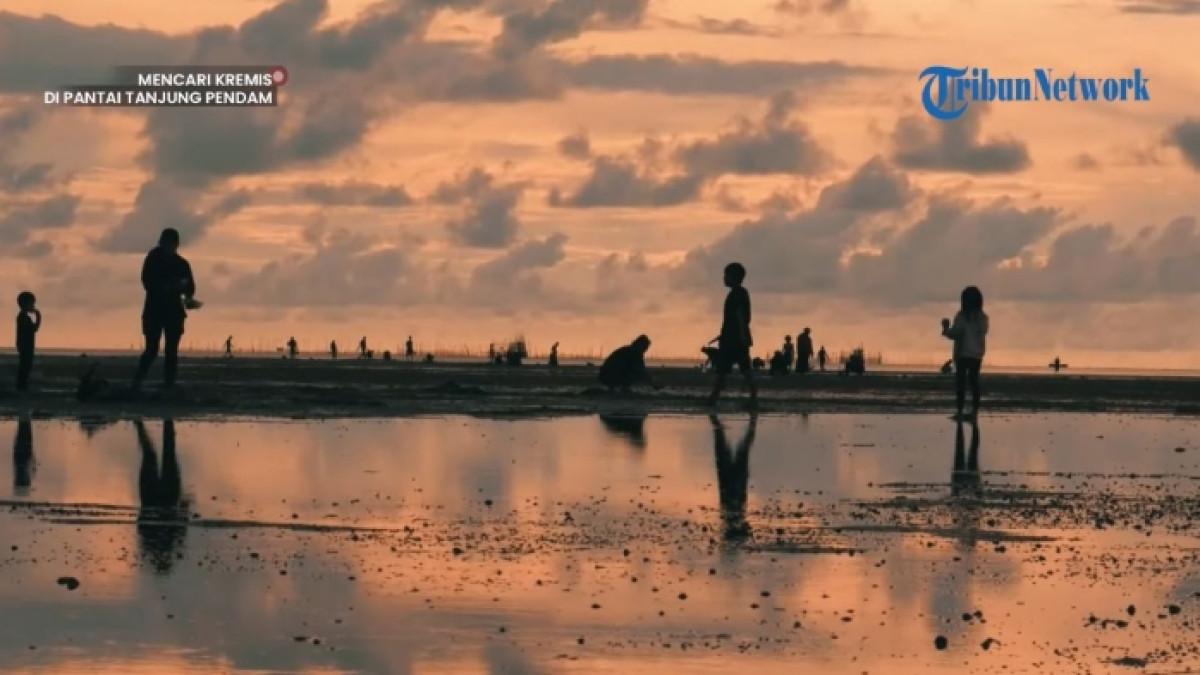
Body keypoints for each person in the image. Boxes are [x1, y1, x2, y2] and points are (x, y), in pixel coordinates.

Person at [133, 228, 198, 391]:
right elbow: (147, 282)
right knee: (152, 350)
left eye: (171, 244)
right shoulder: (153, 259)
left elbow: (190, 288)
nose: (169, 247)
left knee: (171, 351)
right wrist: (168, 286)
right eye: (167, 244)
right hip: (154, 310)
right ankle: (137, 382)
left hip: (174, 312)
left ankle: (169, 384)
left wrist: (188, 298)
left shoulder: (181, 264)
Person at [707, 262, 757, 405]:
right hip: (732, 337)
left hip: (734, 339)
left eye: (726, 275)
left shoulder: (737, 294)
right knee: (739, 369)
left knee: (726, 369)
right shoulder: (739, 293)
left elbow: (740, 316)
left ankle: (714, 397)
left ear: (734, 277)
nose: (724, 278)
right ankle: (752, 397)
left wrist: (742, 335)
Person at [941, 285, 989, 419]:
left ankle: (960, 411)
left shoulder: (961, 316)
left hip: (962, 353)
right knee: (974, 383)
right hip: (977, 354)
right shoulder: (983, 318)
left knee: (961, 383)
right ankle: (974, 413)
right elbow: (983, 331)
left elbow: (956, 333)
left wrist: (946, 329)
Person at [711, 413, 756, 541]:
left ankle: (753, 420)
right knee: (740, 449)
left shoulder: (731, 515)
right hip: (733, 484)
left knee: (737, 448)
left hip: (731, 483)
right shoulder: (731, 515)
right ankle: (753, 420)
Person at [15, 291, 41, 392]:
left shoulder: (23, 317)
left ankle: (22, 385)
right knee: (25, 366)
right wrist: (38, 316)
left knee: (25, 365)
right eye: (31, 303)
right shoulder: (23, 317)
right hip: (26, 345)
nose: (33, 306)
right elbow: (34, 328)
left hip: (25, 345)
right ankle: (21, 386)